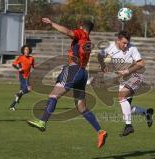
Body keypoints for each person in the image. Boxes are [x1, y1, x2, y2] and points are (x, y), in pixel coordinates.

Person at [26, 18, 107, 149]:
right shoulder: (88, 41)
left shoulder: (81, 34)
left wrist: (52, 23)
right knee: (82, 108)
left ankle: (42, 121)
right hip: (82, 73)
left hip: (73, 70)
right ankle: (100, 131)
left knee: (53, 96)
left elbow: (68, 32)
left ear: (81, 26)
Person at [98, 31, 154, 137]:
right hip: (123, 80)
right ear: (118, 40)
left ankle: (129, 126)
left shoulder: (132, 48)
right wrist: (103, 64)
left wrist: (127, 71)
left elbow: (141, 63)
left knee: (121, 97)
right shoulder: (110, 47)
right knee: (127, 108)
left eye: (127, 43)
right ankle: (147, 112)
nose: (126, 45)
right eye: (124, 43)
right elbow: (102, 56)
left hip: (135, 76)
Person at [10, 44, 35, 111]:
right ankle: (17, 94)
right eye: (25, 50)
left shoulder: (32, 58)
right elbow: (14, 64)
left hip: (28, 76)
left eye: (28, 49)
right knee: (29, 89)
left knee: (21, 92)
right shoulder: (21, 57)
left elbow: (33, 67)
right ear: (23, 51)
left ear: (30, 51)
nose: (27, 51)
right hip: (23, 76)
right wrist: (19, 68)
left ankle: (12, 106)